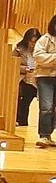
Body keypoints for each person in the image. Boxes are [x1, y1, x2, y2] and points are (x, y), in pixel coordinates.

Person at [35, 14, 56, 148]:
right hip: (45, 77)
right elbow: (38, 57)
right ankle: (44, 135)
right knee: (46, 107)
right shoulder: (45, 39)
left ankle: (50, 134)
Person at [15, 28, 41, 126]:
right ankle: (22, 122)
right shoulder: (19, 49)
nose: (32, 44)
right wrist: (25, 69)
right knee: (25, 101)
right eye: (31, 41)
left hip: (38, 79)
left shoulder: (42, 50)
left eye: (35, 41)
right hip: (25, 79)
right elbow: (12, 64)